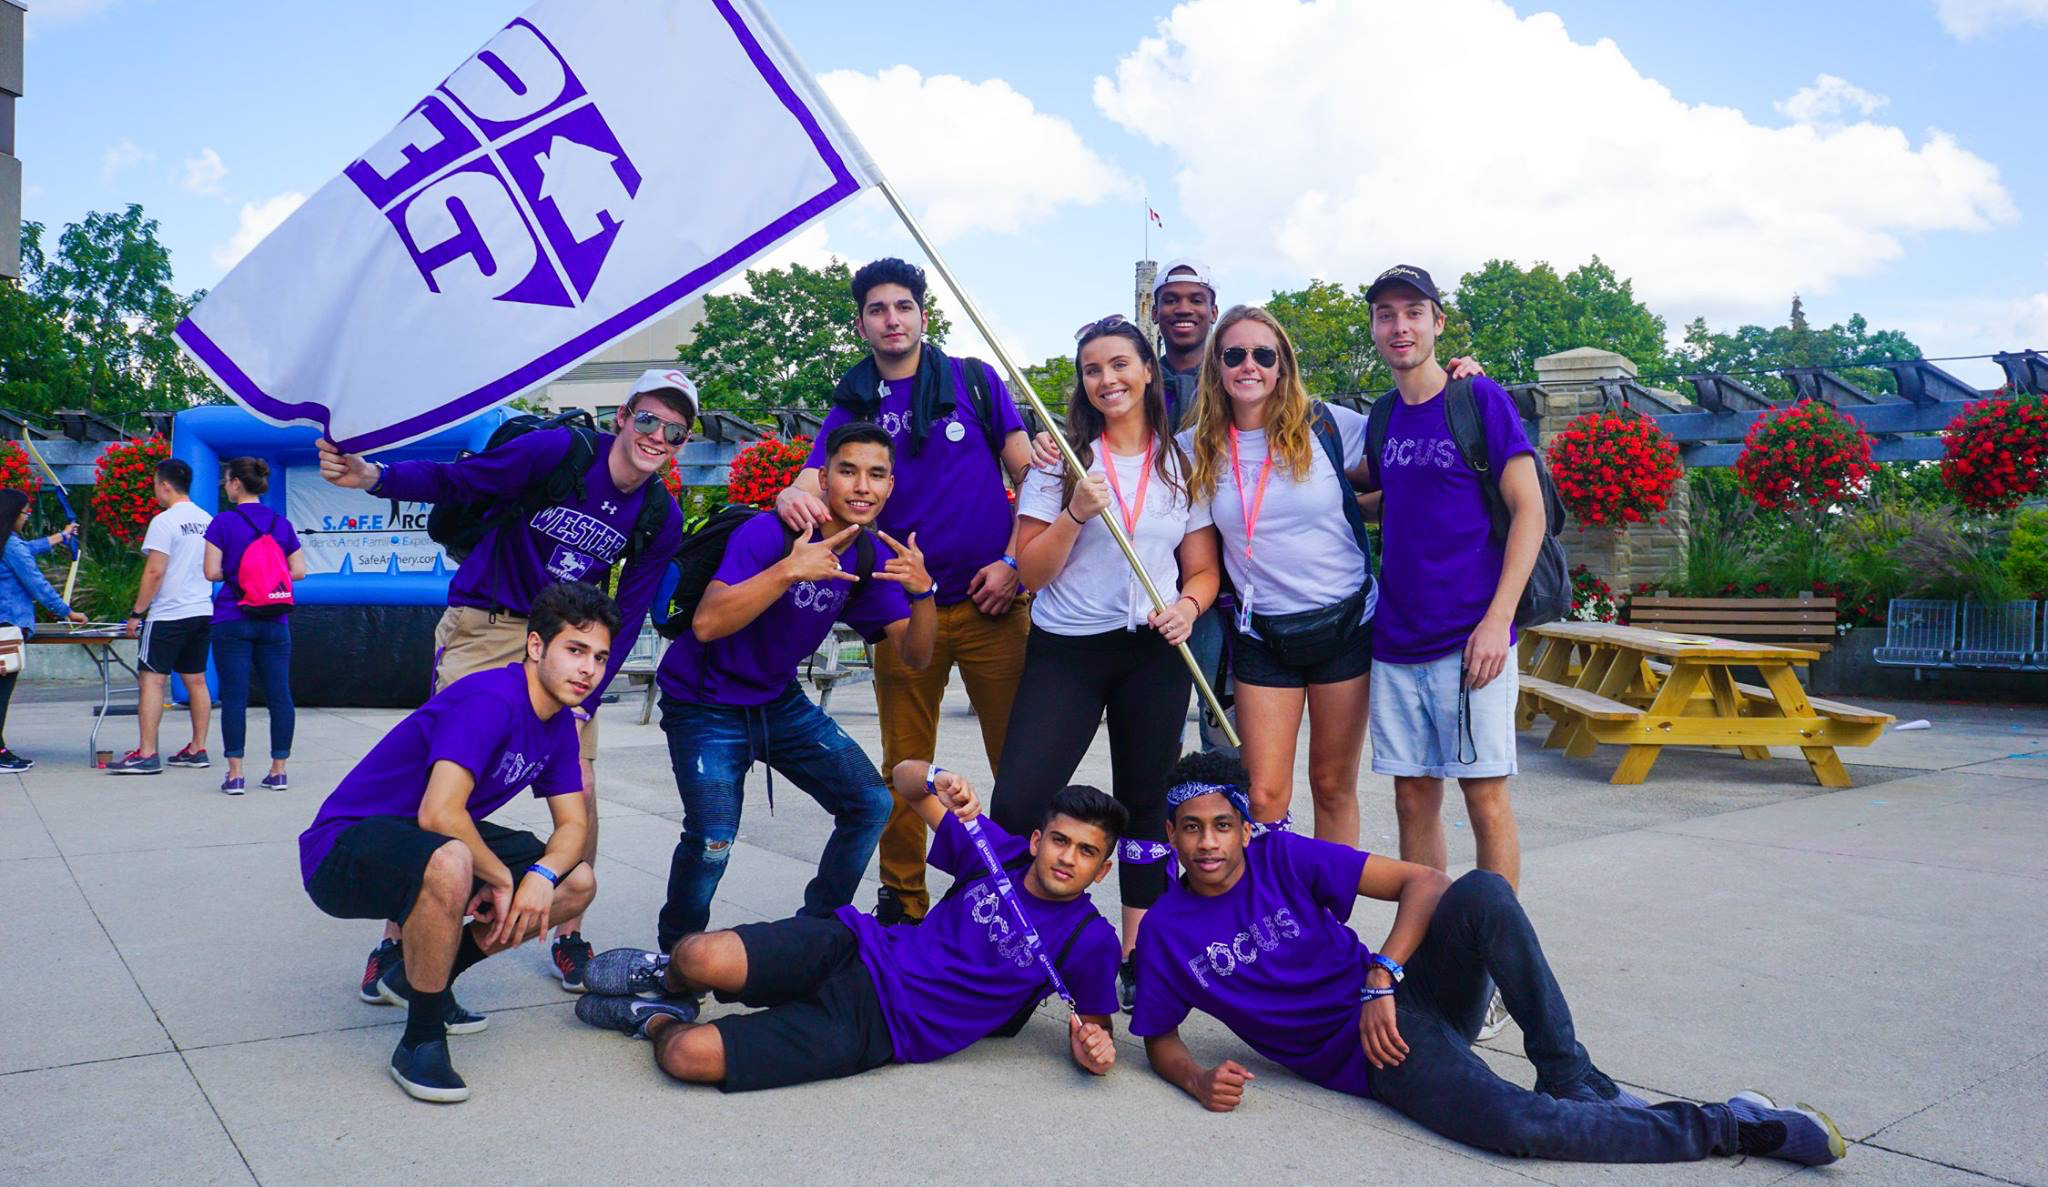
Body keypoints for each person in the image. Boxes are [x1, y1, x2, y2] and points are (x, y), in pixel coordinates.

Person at [1130, 752, 1846, 1168]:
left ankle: (1570, 1073)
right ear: (1169, 835)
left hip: (1402, 993)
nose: (1208, 843)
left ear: (1247, 829)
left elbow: (1426, 882)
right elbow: (1159, 1033)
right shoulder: (1165, 931)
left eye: (1223, 825)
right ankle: (1734, 1122)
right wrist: (1195, 1079)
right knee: (1517, 1126)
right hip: (1378, 1053)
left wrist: (1382, 972)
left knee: (1482, 890)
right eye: (1190, 829)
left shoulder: (1283, 854)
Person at [318, 370, 691, 992]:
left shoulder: (659, 514)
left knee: (583, 785)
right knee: (442, 785)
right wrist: (376, 476)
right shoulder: (561, 451)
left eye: (675, 429)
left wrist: (587, 697)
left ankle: (569, 930)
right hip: (489, 624)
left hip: (569, 646)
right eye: (649, 419)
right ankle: (396, 941)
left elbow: (623, 618)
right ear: (622, 417)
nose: (658, 435)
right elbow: (460, 479)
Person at [574, 761, 1123, 1093]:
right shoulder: (996, 853)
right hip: (856, 945)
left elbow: (1094, 1030)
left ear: (1101, 871)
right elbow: (905, 785)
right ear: (1036, 839)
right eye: (1060, 840)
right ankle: (668, 978)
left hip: (882, 1027)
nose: (1067, 858)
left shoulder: (1090, 940)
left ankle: (653, 1018)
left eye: (1086, 852)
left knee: (685, 1056)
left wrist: (1094, 1054)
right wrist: (939, 778)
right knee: (697, 954)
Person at [776, 258, 1040, 928]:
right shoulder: (853, 399)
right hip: (899, 608)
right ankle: (904, 898)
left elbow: (1029, 479)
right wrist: (788, 494)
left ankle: (1021, 889)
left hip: (993, 601)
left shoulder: (972, 383)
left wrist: (1014, 561)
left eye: (903, 306)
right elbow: (815, 478)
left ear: (924, 313)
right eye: (876, 309)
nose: (891, 319)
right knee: (904, 765)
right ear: (861, 321)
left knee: (1021, 761)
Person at [299, 581, 610, 1103]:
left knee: (576, 883)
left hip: (423, 837)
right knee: (452, 858)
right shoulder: (490, 699)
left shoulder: (558, 724)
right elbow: (439, 811)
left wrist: (539, 877)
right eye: (575, 650)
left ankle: (415, 980)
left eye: (599, 657)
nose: (588, 670)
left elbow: (573, 828)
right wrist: (497, 877)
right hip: (343, 847)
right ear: (536, 646)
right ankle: (420, 1040)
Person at [990, 314, 1221, 1011]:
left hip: (1154, 648)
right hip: (1069, 649)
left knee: (1147, 804)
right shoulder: (1058, 459)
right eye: (1093, 369)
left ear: (1149, 370)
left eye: (1119, 364)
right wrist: (1076, 514)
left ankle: (1136, 956)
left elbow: (1203, 568)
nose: (1107, 379)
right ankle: (1014, 933)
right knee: (1019, 800)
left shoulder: (1183, 461)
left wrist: (1188, 604)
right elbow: (1030, 570)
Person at [655, 421, 936, 955]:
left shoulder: (868, 553)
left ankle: (815, 935)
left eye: (876, 475)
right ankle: (678, 957)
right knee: (712, 842)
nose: (861, 486)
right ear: (824, 478)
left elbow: (916, 656)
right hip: (704, 703)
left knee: (869, 803)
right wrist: (788, 570)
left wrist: (924, 594)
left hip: (776, 700)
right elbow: (708, 624)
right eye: (847, 471)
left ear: (889, 487)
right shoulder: (771, 533)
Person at [1362, 265, 1544, 1038]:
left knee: (1485, 799)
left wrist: (1497, 620)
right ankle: (1436, 956)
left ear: (1438, 322)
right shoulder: (1379, 417)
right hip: (1396, 639)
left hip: (1471, 641)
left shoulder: (1479, 400)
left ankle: (1500, 964)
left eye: (1413, 312)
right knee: (1413, 799)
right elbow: (1368, 493)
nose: (1399, 327)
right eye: (1385, 315)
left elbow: (1528, 510)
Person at [1180, 305, 1377, 846]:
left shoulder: (1330, 424)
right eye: (1234, 354)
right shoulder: (1194, 447)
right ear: (1216, 366)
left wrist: (1464, 383)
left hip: (1344, 623)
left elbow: (1416, 434)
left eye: (1264, 355)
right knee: (1264, 796)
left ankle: (1330, 918)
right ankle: (1276, 914)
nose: (1250, 366)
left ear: (1282, 364)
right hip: (1260, 632)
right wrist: (1050, 450)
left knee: (1333, 785)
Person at [201, 458, 307, 795]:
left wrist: (242, 572)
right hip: (275, 619)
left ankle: (235, 775)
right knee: (280, 695)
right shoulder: (281, 523)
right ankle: (278, 771)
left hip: (233, 618)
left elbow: (211, 572)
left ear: (234, 483)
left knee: (234, 696)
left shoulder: (222, 523)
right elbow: (299, 571)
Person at [108, 459, 214, 775]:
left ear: (164, 485)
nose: (155, 491)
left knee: (152, 680)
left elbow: (155, 571)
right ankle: (198, 748)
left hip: (169, 614)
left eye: (155, 484)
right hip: (201, 610)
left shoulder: (165, 521)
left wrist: (136, 613)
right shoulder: (208, 520)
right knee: (196, 680)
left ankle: (147, 753)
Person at [0, 490, 84, 770]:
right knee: (2, 691)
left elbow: (28, 549)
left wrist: (61, 536)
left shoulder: (8, 544)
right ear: (12, 514)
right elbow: (37, 585)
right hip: (7, 629)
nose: (25, 517)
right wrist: (68, 612)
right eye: (24, 513)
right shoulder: (10, 546)